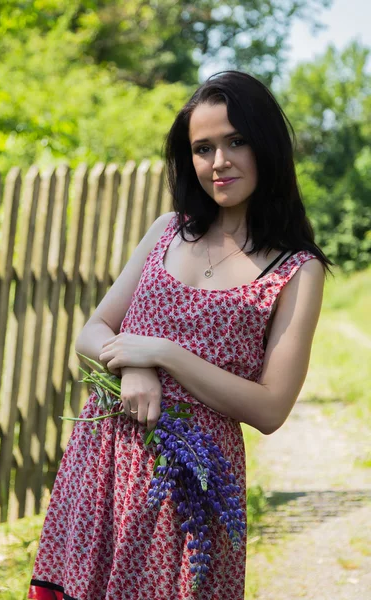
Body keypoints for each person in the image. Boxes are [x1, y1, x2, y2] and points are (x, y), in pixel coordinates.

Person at [28, 70, 330, 600]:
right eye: (202, 148)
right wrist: (135, 364)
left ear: (267, 145)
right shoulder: (168, 229)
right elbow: (92, 331)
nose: (219, 162)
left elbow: (270, 409)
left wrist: (165, 355)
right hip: (104, 464)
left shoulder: (295, 269)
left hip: (193, 488)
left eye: (236, 141)